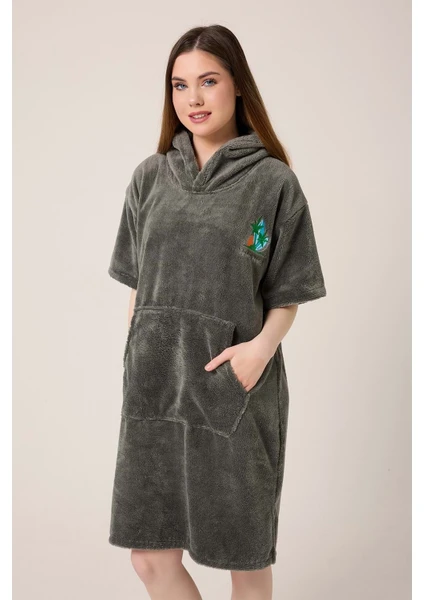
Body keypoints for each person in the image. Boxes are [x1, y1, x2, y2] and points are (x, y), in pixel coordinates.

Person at [107, 24, 327, 600]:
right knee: (150, 556)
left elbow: (288, 290)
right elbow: (139, 284)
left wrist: (258, 352)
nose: (194, 98)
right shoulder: (150, 177)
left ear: (237, 85)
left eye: (208, 81)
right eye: (180, 85)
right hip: (155, 389)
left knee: (244, 559)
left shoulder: (273, 183)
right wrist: (135, 359)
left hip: (234, 386)